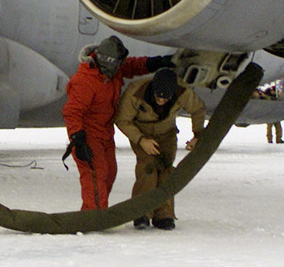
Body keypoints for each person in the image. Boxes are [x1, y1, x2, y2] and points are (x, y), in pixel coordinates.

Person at [62, 36, 172, 210]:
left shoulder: (112, 71)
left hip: (105, 134)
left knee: (109, 173)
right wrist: (77, 139)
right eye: (120, 62)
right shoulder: (85, 82)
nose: (123, 65)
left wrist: (159, 62)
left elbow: (133, 66)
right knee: (96, 174)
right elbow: (72, 112)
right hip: (88, 136)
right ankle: (94, 216)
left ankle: (97, 211)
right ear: (110, 62)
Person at [114, 68, 207, 230]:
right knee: (148, 167)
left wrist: (197, 134)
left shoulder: (182, 91)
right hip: (142, 133)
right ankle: (141, 212)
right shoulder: (135, 92)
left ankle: (164, 215)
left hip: (167, 134)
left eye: (166, 98)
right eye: (158, 97)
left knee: (166, 170)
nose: (161, 101)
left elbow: (198, 109)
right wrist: (141, 140)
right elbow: (122, 120)